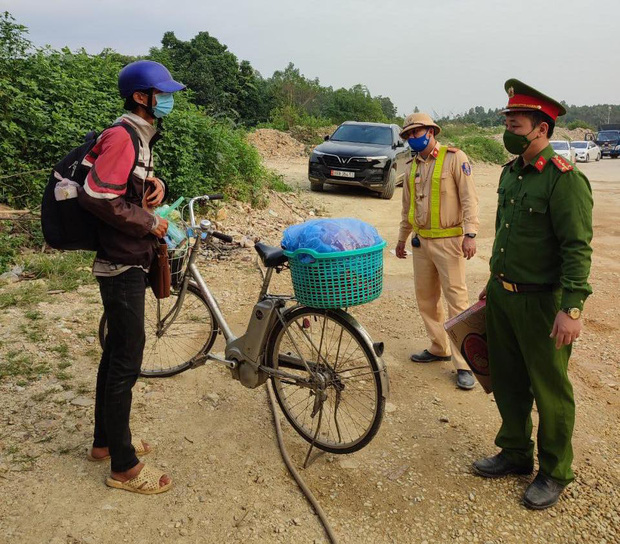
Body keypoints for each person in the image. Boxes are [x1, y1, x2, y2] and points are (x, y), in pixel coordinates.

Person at [473, 79, 593, 510]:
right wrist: (492, 286)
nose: (507, 126)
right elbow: (505, 237)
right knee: (508, 381)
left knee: (550, 390)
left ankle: (555, 470)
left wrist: (572, 308)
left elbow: (577, 248)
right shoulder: (511, 173)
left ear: (541, 128)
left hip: (543, 303)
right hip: (503, 296)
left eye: (515, 121)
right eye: (506, 118)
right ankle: (516, 453)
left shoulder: (565, 181)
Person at [78, 60, 185, 494]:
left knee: (116, 353)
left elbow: (120, 187)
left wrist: (149, 187)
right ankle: (123, 467)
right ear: (143, 97)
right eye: (163, 93)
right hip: (121, 262)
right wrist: (149, 221)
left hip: (124, 258)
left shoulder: (138, 138)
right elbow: (98, 196)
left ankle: (104, 442)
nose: (169, 100)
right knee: (127, 359)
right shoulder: (124, 136)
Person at [396, 112, 480, 390]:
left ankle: (464, 364)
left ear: (431, 132)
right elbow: (407, 207)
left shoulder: (455, 158)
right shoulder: (410, 167)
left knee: (457, 301)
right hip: (421, 244)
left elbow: (469, 198)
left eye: (416, 133)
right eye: (408, 135)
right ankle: (438, 347)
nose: (412, 138)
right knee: (427, 299)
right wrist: (401, 238)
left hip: (450, 242)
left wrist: (470, 234)